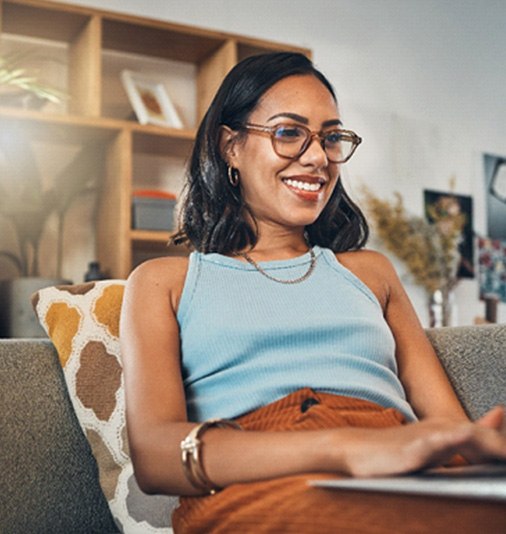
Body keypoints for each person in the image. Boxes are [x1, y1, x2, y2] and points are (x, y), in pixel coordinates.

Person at [120, 52, 506, 532]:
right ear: (231, 146)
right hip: (260, 479)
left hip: (404, 465)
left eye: (330, 138)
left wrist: (480, 451)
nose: (318, 157)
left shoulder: (371, 273)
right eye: (289, 132)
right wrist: (344, 448)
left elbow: (449, 429)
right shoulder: (163, 283)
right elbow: (157, 458)